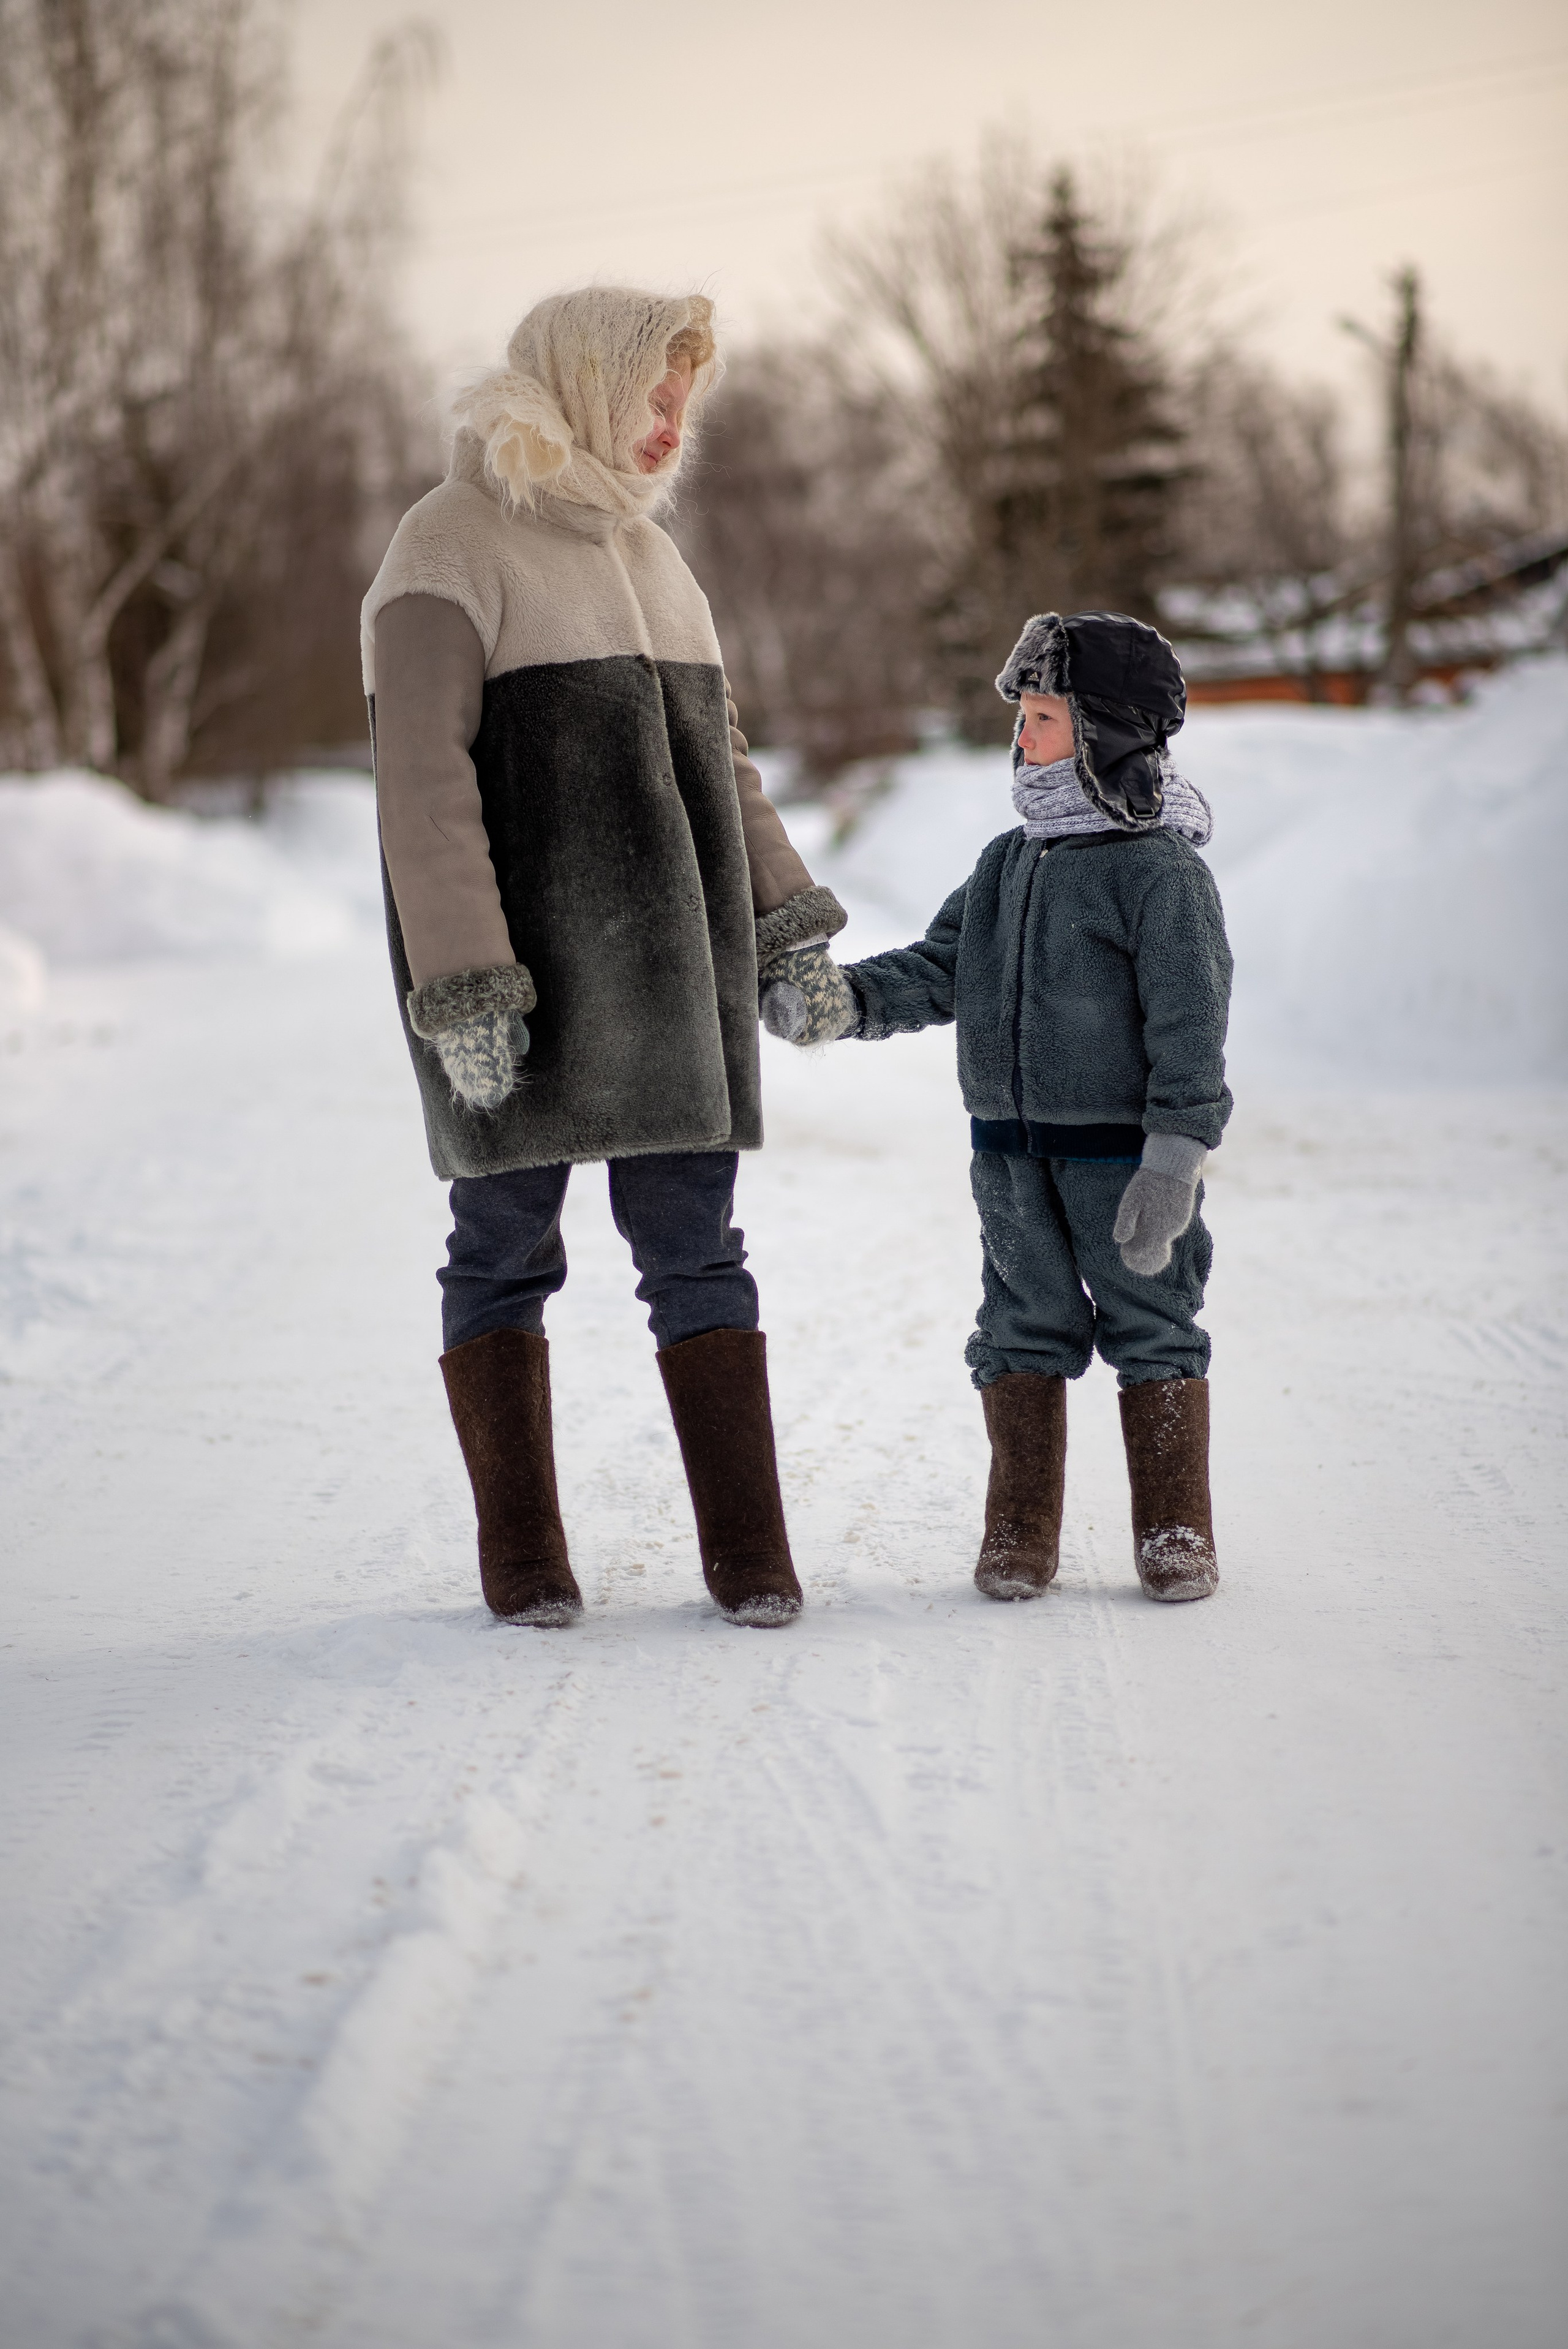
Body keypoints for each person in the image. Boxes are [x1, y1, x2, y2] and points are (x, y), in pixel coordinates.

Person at [362, 288, 845, 1629]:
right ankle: (522, 1558)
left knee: (697, 1247)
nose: (670, 423)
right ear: (584, 384)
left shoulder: (656, 560)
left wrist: (787, 923)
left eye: (685, 398)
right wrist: (465, 981)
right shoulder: (446, 546)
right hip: (523, 994)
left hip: (672, 987)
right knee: (503, 1246)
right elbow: (419, 783)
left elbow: (726, 768)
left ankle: (747, 1551)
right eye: (652, 392)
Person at [763, 612, 1232, 1604]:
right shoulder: (1007, 862)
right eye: (1021, 717)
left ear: (1106, 727)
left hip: (1122, 1163)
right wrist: (845, 1001)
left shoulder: (1160, 874)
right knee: (1020, 1327)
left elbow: (1192, 1027)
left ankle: (1177, 1530)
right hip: (1010, 1157)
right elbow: (944, 967)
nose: (1021, 738)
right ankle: (1020, 1531)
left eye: (1043, 716)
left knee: (1153, 1322)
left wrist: (1175, 1158)